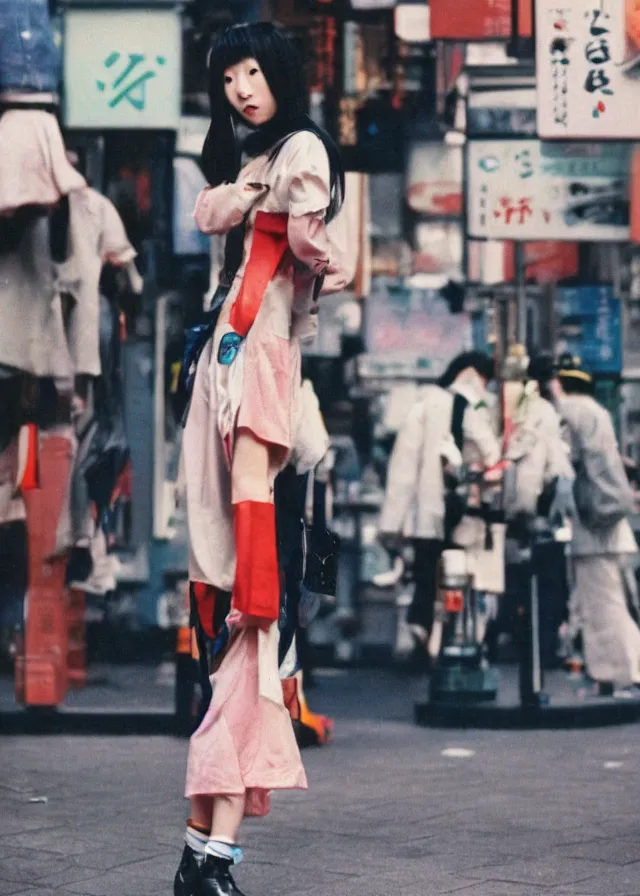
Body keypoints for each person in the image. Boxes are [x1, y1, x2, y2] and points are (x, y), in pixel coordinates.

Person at [175, 22, 346, 896]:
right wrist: (260, 596)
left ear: (280, 73)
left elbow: (316, 252)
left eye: (253, 72)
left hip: (240, 355)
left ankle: (204, 860)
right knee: (249, 661)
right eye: (230, 76)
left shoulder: (294, 154)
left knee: (238, 677)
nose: (243, 88)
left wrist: (279, 209)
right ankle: (206, 864)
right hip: (247, 355)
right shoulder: (287, 154)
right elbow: (226, 216)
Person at [378, 351, 501, 668]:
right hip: (460, 515)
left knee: (423, 576)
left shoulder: (422, 405)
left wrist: (392, 522)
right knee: (455, 578)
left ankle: (422, 634)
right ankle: (451, 639)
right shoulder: (472, 407)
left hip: (425, 517)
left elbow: (403, 469)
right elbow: (493, 455)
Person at [554, 356, 640, 694]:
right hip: (608, 523)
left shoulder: (570, 412)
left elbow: (563, 462)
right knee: (611, 601)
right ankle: (614, 671)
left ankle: (620, 672)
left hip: (594, 527)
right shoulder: (597, 412)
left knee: (603, 605)